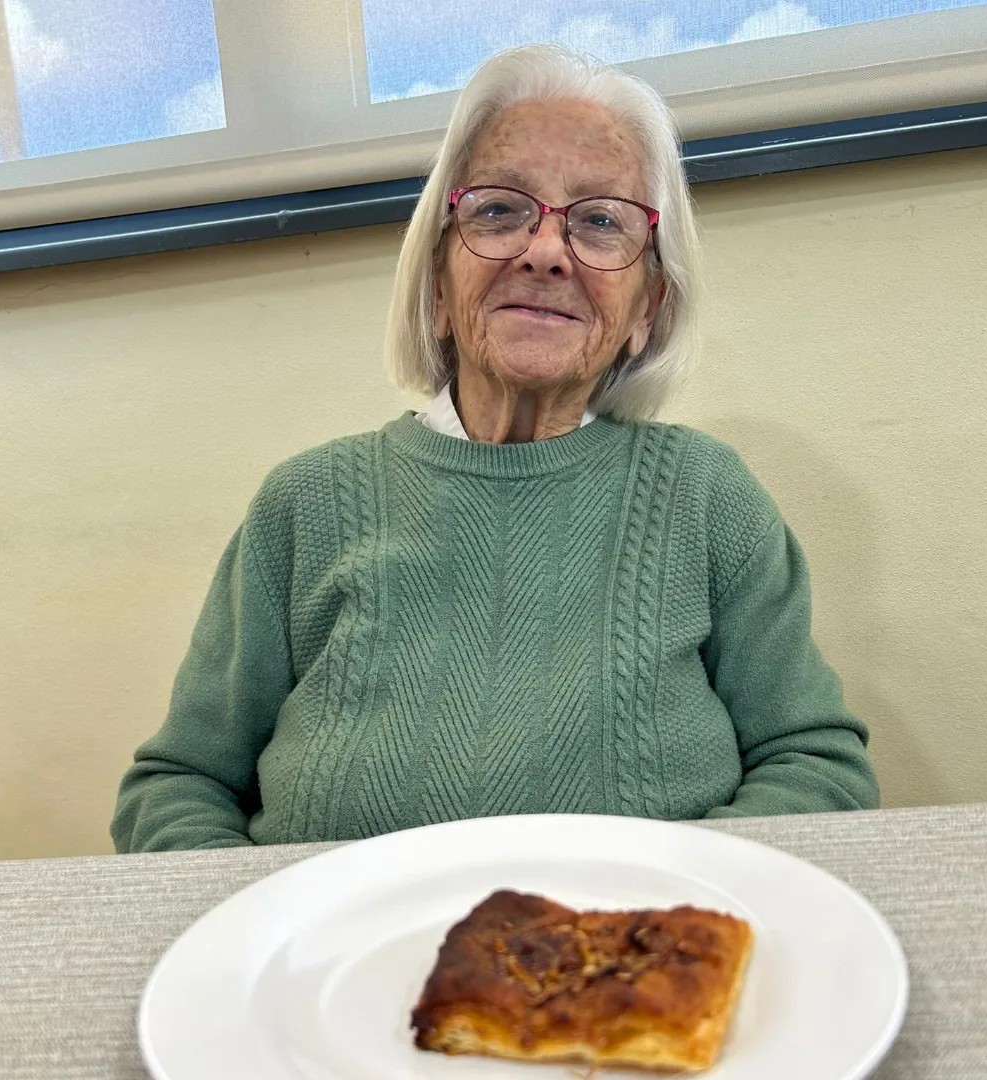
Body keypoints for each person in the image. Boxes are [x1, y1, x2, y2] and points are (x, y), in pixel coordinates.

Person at [111, 44, 879, 852]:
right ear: (438, 287)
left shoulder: (706, 495)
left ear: (646, 308)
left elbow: (815, 767)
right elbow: (179, 788)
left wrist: (664, 903)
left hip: (632, 934)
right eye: (500, 211)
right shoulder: (303, 505)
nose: (544, 251)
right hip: (342, 935)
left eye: (600, 221)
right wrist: (277, 921)